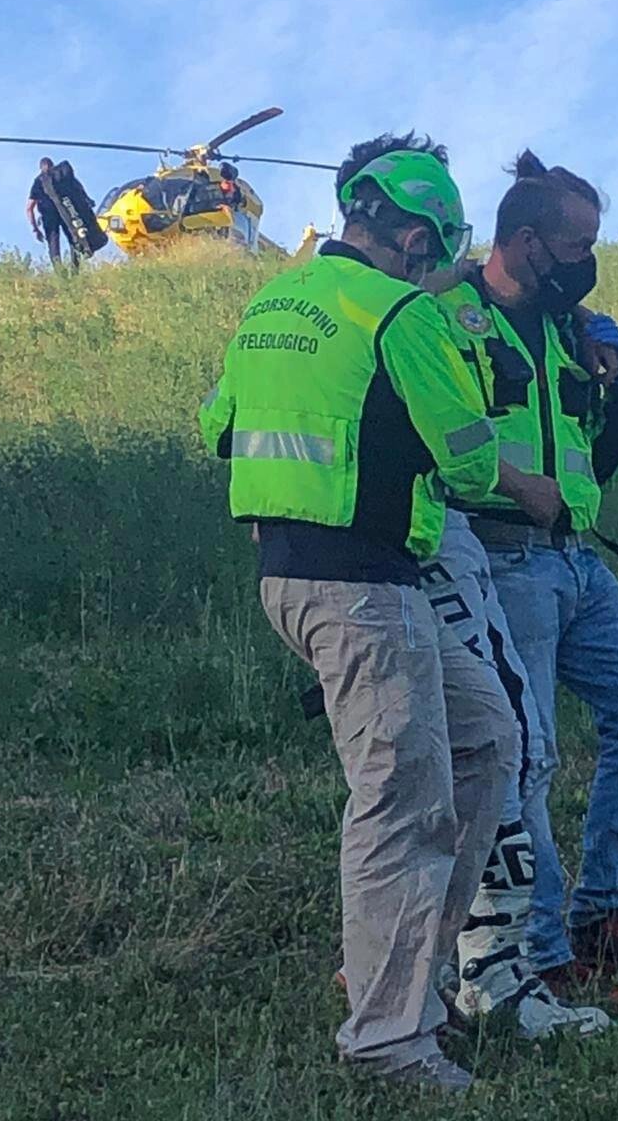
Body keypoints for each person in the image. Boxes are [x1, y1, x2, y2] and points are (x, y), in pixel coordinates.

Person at [199, 134, 518, 1094]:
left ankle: (401, 974)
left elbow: (221, 426)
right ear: (418, 234)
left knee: (483, 739)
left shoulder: (273, 301)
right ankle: (387, 1041)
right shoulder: (397, 315)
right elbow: (467, 461)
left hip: (298, 579)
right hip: (366, 589)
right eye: (437, 244)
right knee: (400, 803)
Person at [430, 150, 618, 999]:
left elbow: (598, 461)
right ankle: (539, 953)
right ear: (527, 240)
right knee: (528, 758)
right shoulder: (446, 316)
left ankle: (605, 915)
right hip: (497, 558)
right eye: (578, 246)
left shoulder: (571, 328)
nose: (588, 264)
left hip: (577, 558)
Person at [27, 158, 78, 269]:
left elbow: (29, 208)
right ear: (53, 165)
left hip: (48, 216)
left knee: (53, 245)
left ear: (40, 167)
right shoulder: (61, 177)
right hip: (65, 212)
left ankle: (59, 273)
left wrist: (35, 228)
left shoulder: (38, 182)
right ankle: (75, 269)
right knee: (74, 239)